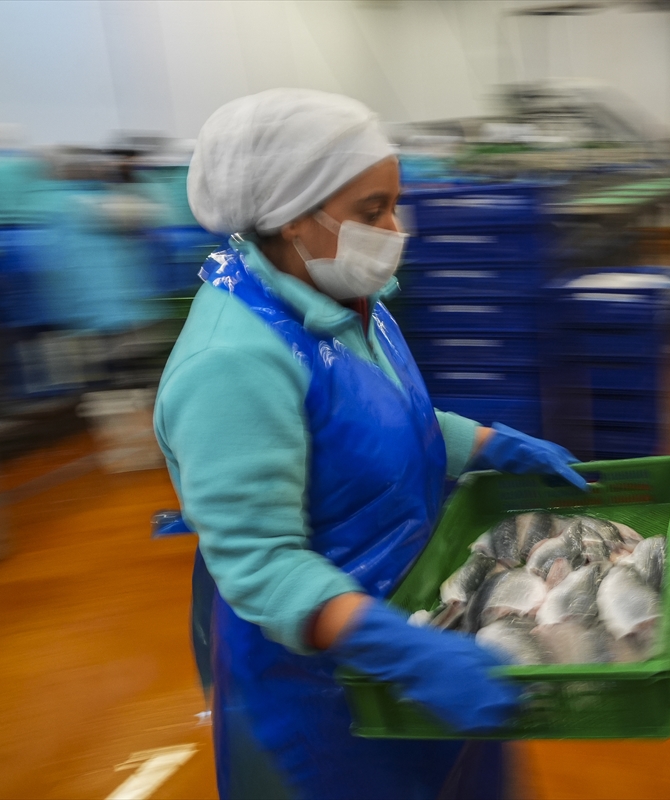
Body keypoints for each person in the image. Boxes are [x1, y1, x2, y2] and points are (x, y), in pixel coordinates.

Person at [153, 88, 588, 800]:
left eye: (395, 203)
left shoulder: (349, 297)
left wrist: (487, 443)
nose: (395, 229)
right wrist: (401, 650)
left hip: (417, 617)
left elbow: (374, 420)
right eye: (372, 210)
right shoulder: (231, 362)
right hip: (326, 693)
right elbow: (259, 564)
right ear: (292, 216)